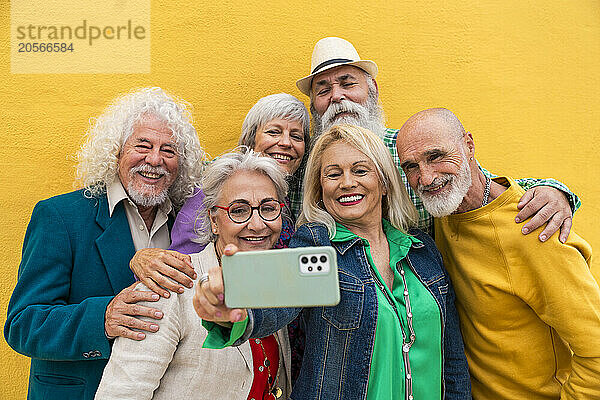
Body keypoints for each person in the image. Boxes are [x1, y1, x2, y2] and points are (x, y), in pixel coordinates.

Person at [194, 124, 471, 400]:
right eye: (333, 174)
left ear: (385, 183)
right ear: (320, 188)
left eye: (360, 170)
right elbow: (276, 305)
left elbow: (453, 360)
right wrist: (229, 308)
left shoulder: (422, 249)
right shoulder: (316, 244)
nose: (347, 183)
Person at [4, 87, 205, 400]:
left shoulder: (188, 222)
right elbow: (23, 325)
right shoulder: (60, 216)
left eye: (169, 151)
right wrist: (103, 317)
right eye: (143, 145)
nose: (155, 159)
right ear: (117, 151)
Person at [395, 108, 600, 399]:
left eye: (436, 156)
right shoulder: (442, 213)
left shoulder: (534, 226)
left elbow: (596, 353)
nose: (426, 178)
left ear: (468, 146)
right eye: (411, 166)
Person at [296, 36, 579, 242]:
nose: (337, 96)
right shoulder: (307, 165)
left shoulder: (407, 150)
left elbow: (478, 186)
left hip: (429, 294)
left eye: (347, 83)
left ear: (373, 91)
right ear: (314, 106)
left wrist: (553, 191)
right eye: (323, 90)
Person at [95, 149, 292, 400]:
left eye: (268, 208)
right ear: (214, 220)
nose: (257, 224)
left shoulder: (275, 284)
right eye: (239, 210)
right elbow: (121, 394)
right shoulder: (169, 285)